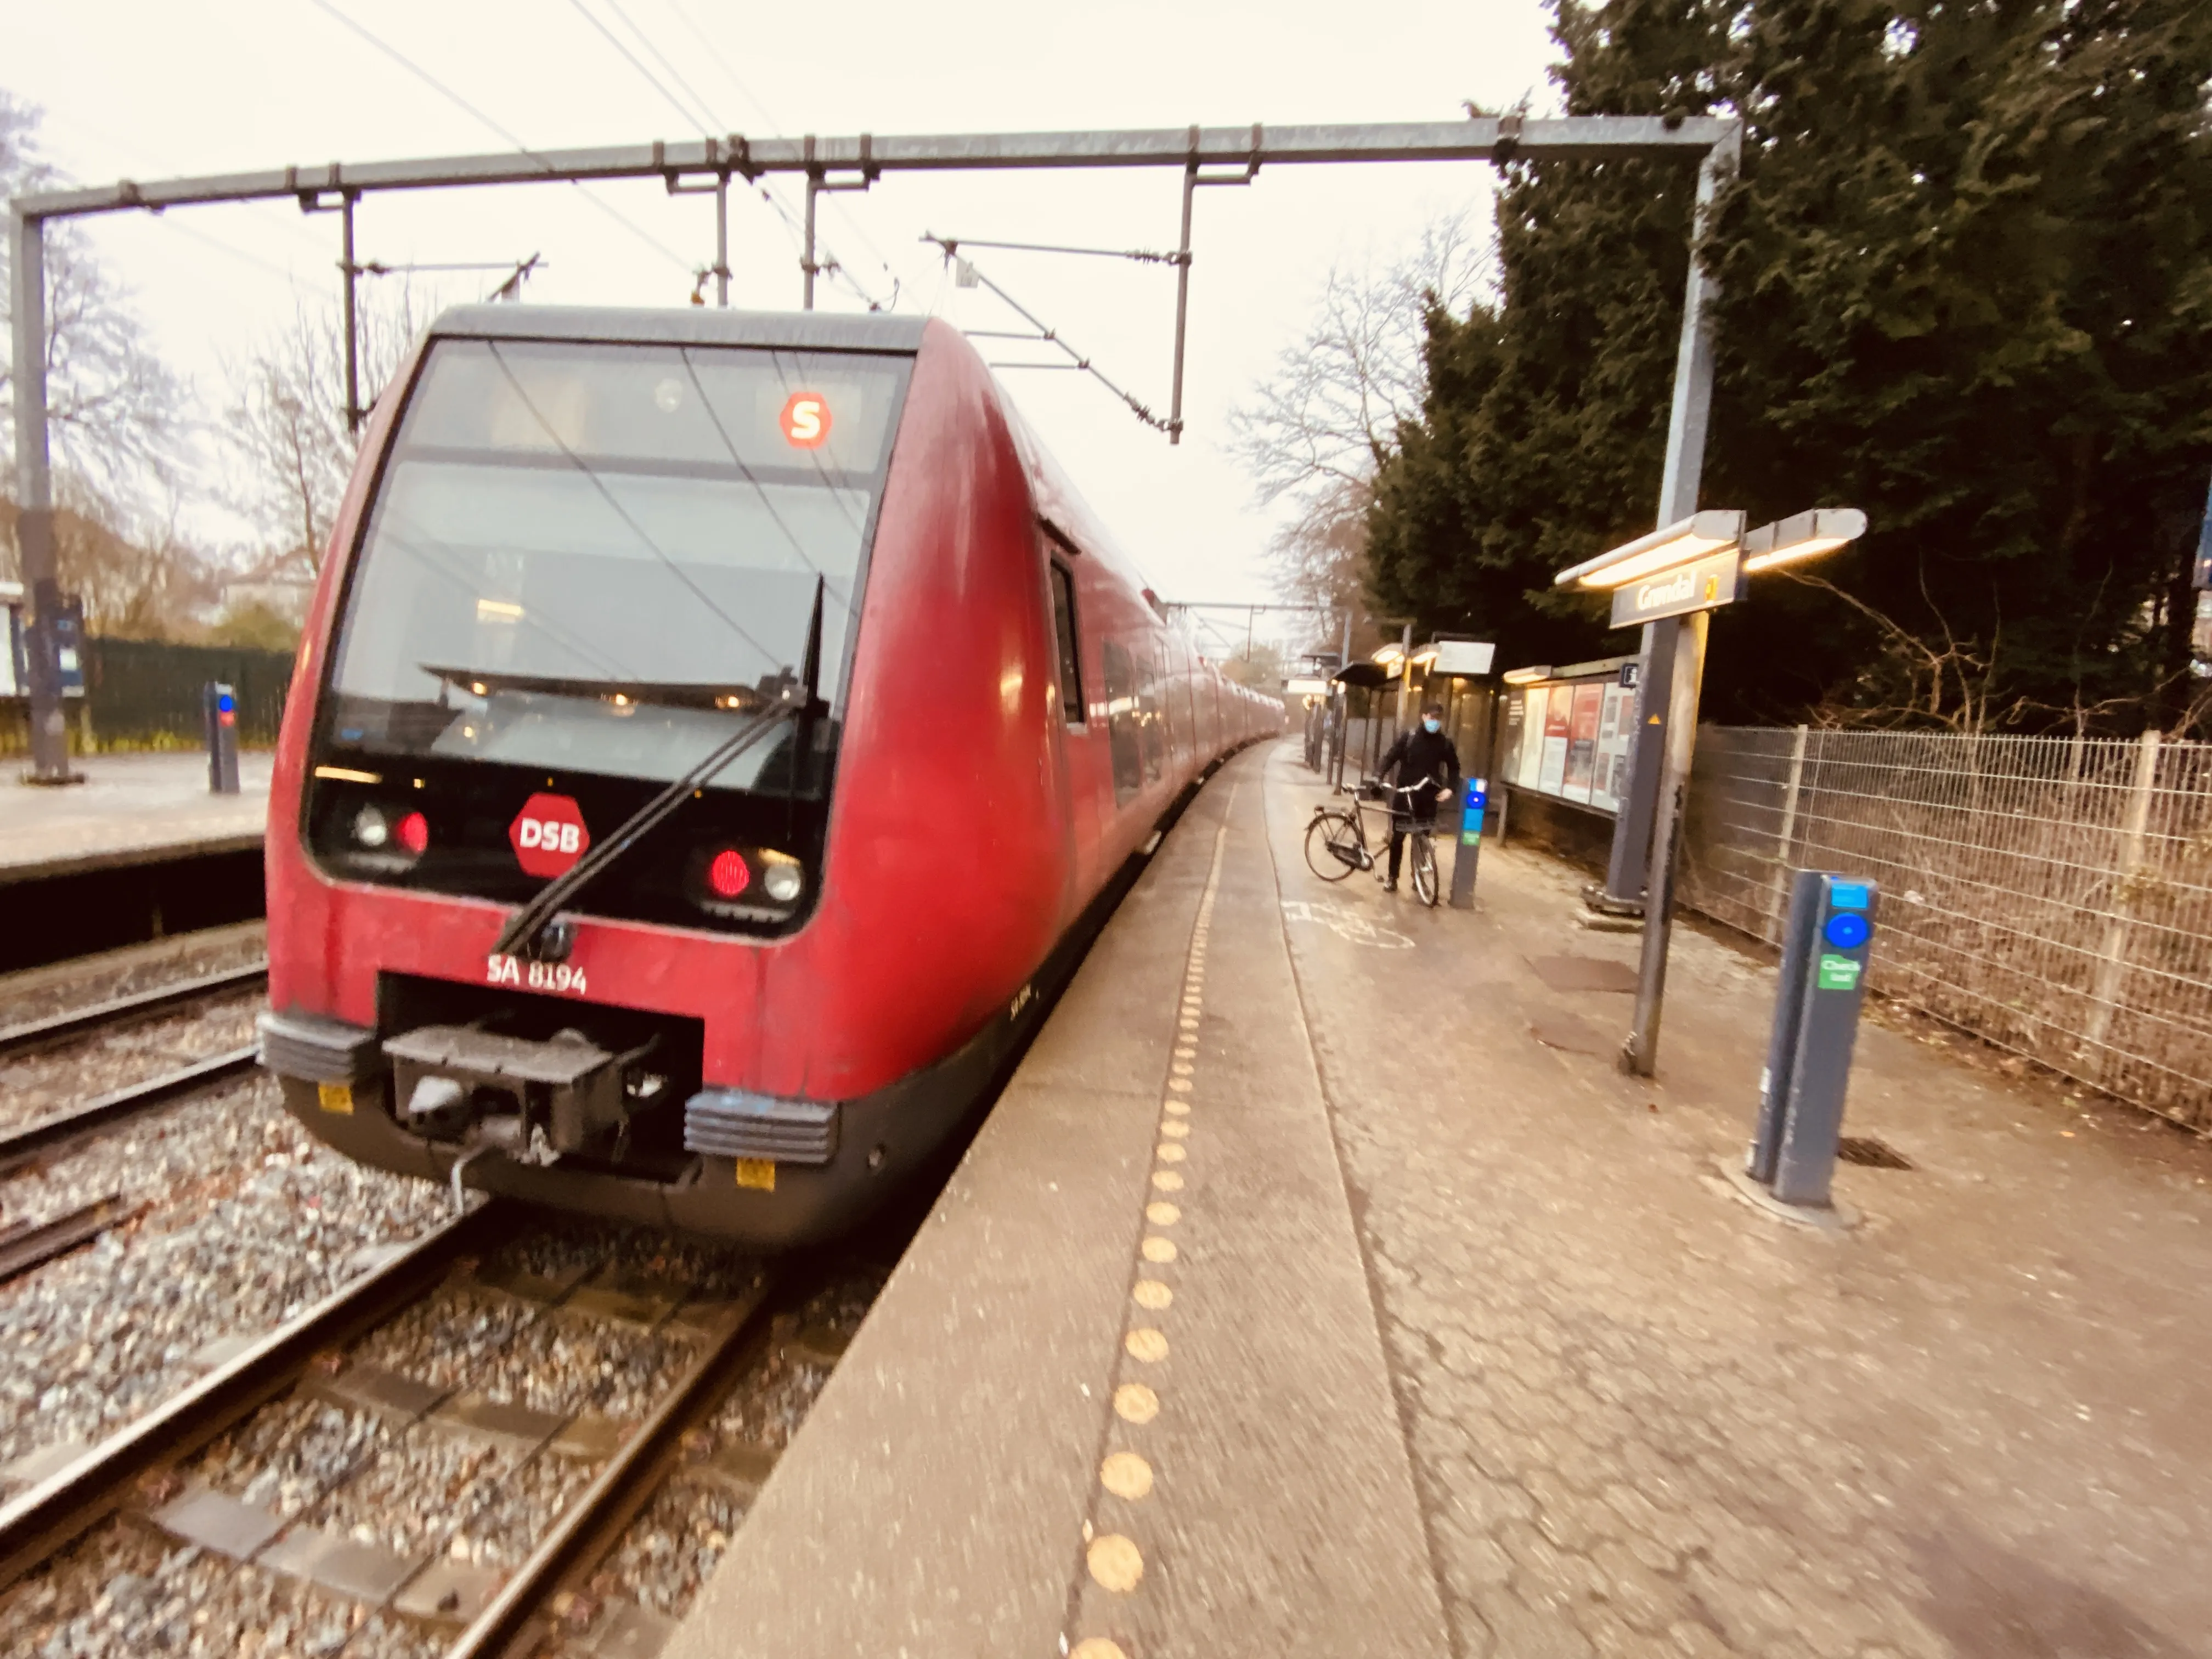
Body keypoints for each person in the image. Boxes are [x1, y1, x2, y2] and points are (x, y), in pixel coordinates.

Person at [1375, 702, 1462, 892]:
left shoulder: (1444, 743)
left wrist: (1451, 789)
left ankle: (1419, 878)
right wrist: (1379, 776)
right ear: (1424, 717)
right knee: (1398, 839)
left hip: (1428, 798)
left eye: (1438, 719)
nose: (1435, 722)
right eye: (1432, 717)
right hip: (1405, 796)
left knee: (1422, 840)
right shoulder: (1410, 738)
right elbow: (1391, 757)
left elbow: (1455, 767)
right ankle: (1392, 878)